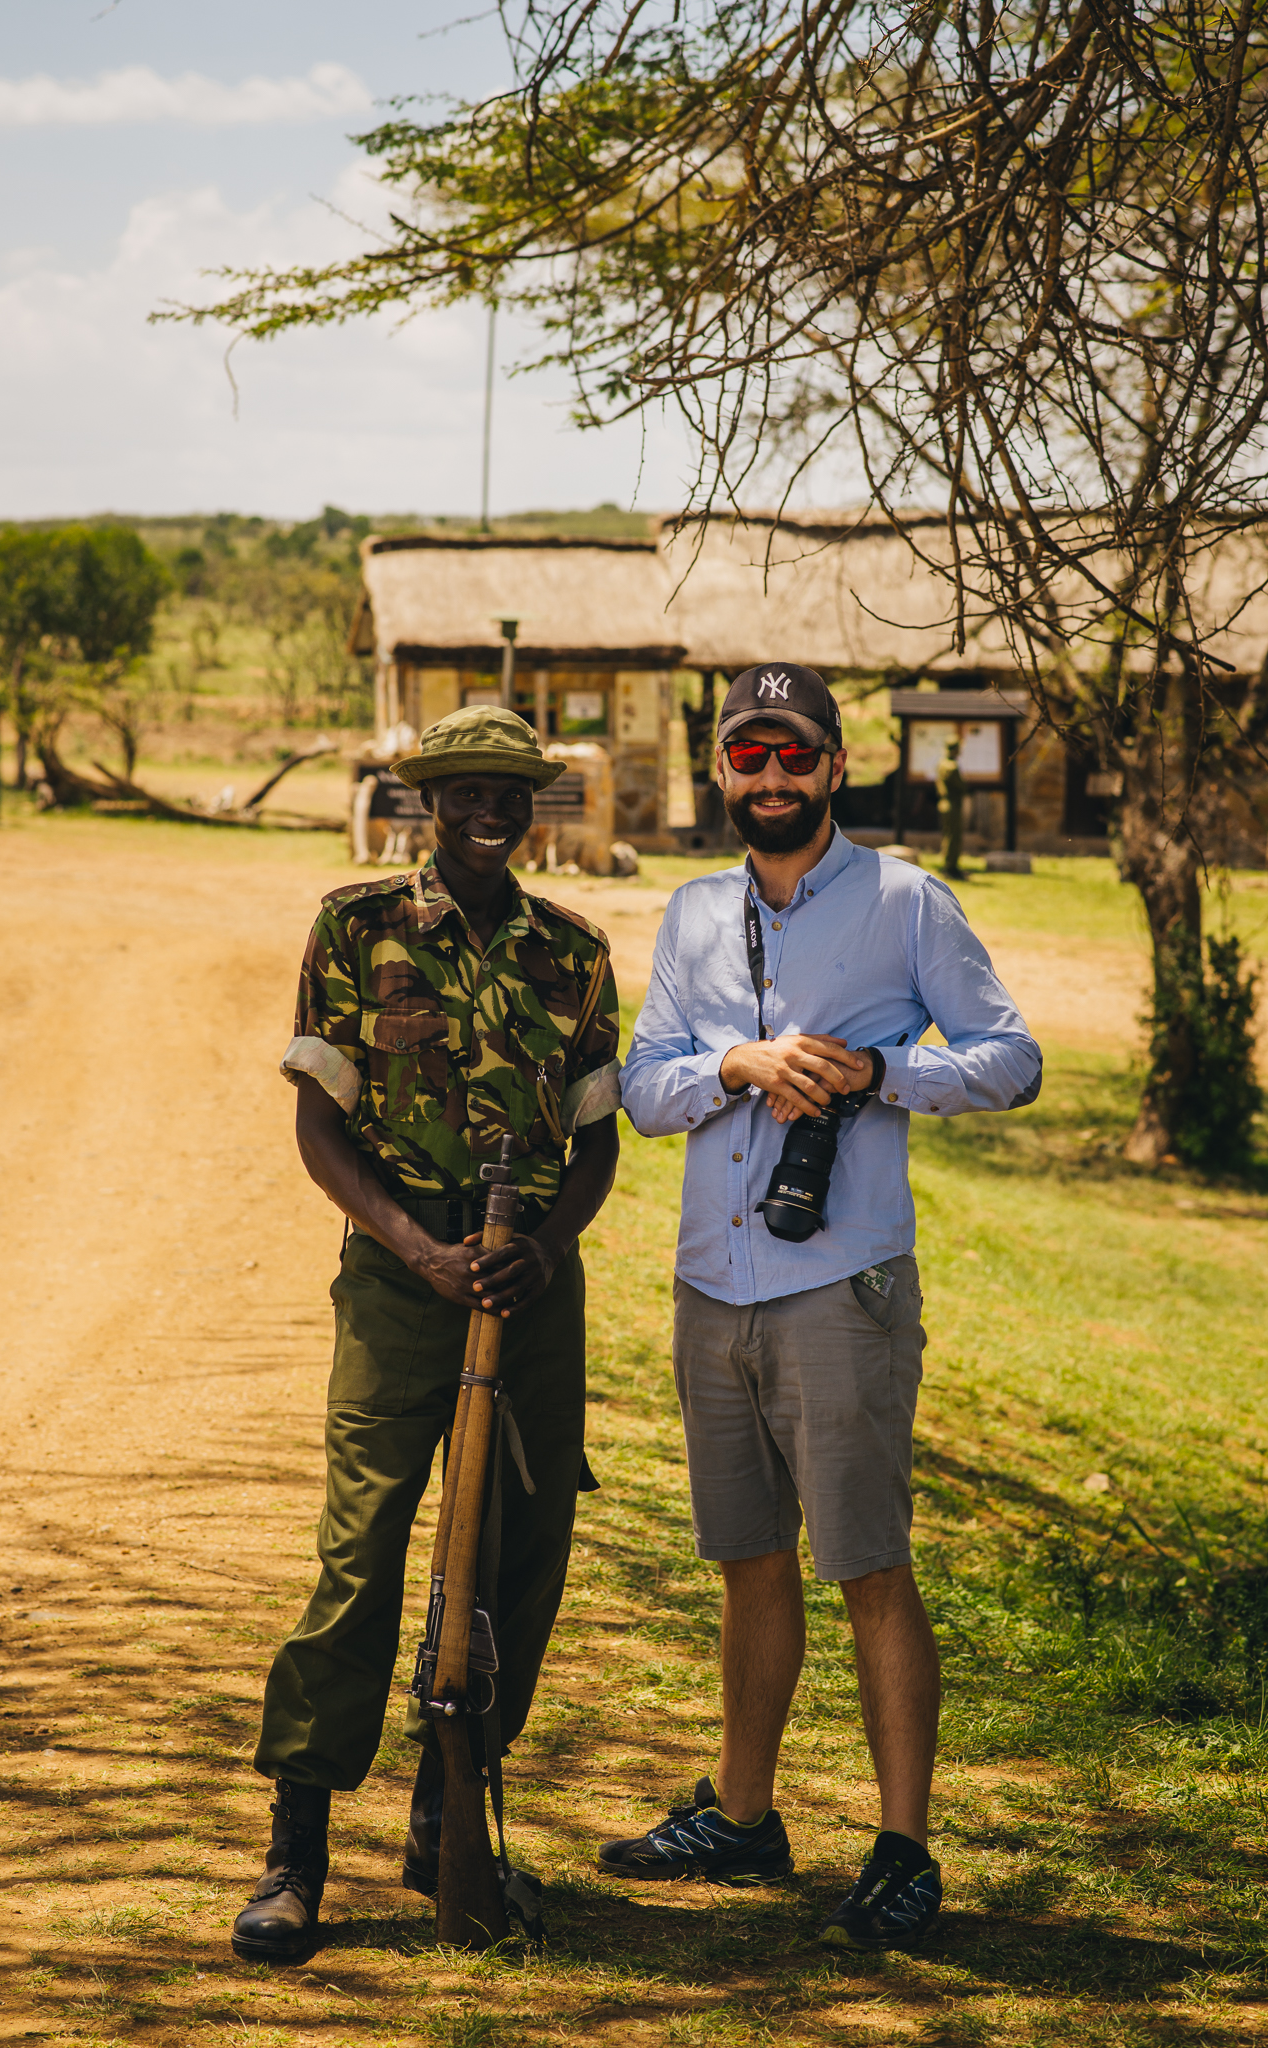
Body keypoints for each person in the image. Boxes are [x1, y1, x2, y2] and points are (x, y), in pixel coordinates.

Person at [606, 663, 1040, 1950]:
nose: (770, 778)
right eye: (748, 757)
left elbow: (1009, 1056)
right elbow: (638, 1084)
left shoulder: (905, 901)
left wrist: (878, 1071)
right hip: (711, 1279)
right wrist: (731, 1064)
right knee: (745, 1558)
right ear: (722, 769)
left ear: (835, 765)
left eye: (793, 755)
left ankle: (903, 1847)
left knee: (865, 1562)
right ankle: (743, 1815)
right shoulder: (688, 913)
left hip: (839, 1285)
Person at [231, 706, 622, 1964]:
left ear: (532, 802)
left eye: (511, 789)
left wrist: (543, 1245)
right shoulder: (356, 926)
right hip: (405, 1270)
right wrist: (419, 1248)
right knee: (362, 1547)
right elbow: (320, 1127)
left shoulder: (575, 949)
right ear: (427, 799)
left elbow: (597, 1136)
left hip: (528, 1277)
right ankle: (297, 1846)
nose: (490, 810)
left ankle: (449, 1812)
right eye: (465, 789)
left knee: (518, 1551)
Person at [936, 738, 965, 879]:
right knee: (954, 836)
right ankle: (951, 867)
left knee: (948, 835)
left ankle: (948, 864)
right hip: (952, 804)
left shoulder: (942, 764)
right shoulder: (952, 767)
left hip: (944, 803)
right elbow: (961, 786)